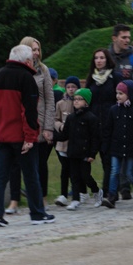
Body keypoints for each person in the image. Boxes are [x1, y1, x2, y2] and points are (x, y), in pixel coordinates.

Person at [0, 44, 55, 227]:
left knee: (0, 175)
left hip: (1, 135)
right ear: (26, 61)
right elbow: (29, 112)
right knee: (31, 174)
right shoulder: (26, 78)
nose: (32, 62)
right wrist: (30, 138)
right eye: (31, 59)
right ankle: (37, 213)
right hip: (21, 137)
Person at [5, 36, 56, 215]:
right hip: (19, 122)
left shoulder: (43, 70)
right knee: (15, 164)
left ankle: (41, 198)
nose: (36, 53)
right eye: (33, 49)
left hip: (39, 121)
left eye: (38, 49)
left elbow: (50, 99)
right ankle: (14, 200)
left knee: (40, 163)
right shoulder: (16, 71)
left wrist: (49, 126)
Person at [87, 47, 125, 205]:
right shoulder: (92, 79)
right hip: (96, 124)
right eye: (96, 58)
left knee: (110, 159)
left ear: (107, 59)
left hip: (112, 123)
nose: (99, 60)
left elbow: (121, 98)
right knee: (103, 158)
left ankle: (111, 192)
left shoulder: (115, 77)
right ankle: (106, 190)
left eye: (102, 57)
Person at [53, 88, 101, 211]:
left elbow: (95, 138)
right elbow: (65, 134)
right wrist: (53, 136)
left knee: (85, 176)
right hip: (73, 152)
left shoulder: (91, 118)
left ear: (86, 102)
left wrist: (93, 153)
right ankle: (75, 200)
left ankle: (96, 191)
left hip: (85, 152)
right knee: (74, 176)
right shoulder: (71, 118)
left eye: (80, 99)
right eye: (75, 99)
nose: (76, 101)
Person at [101, 81, 133, 208]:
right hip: (116, 146)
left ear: (129, 94)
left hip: (131, 147)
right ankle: (112, 196)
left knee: (130, 172)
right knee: (114, 171)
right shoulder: (113, 110)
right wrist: (106, 145)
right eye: (117, 93)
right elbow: (108, 129)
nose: (118, 96)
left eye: (121, 93)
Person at [52, 76, 81, 207]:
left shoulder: (80, 103)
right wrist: (60, 126)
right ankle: (63, 194)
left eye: (73, 87)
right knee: (65, 169)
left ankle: (78, 195)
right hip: (63, 142)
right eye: (68, 87)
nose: (71, 90)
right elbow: (55, 119)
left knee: (76, 170)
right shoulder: (60, 103)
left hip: (76, 142)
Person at [108, 24, 133, 99]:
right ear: (114, 38)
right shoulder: (106, 57)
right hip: (109, 105)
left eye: (128, 37)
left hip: (128, 105)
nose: (127, 40)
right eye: (124, 37)